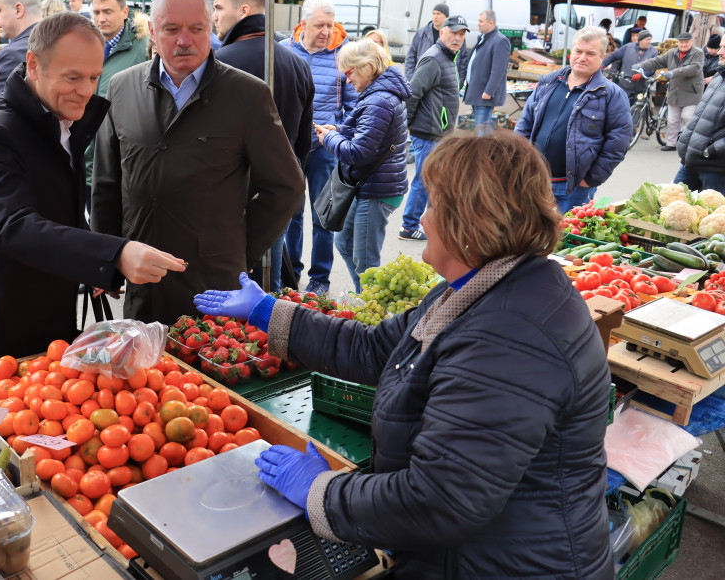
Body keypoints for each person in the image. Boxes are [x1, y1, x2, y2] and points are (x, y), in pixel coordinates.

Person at [194, 129, 613, 579]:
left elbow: (440, 500)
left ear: (469, 223)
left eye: (432, 203)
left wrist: (321, 489)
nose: (421, 219)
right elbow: (375, 347)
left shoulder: (510, 338)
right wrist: (270, 312)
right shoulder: (479, 289)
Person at [0, 13, 186, 368]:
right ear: (33, 65)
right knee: (0, 421)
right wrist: (112, 253)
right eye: (73, 77)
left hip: (55, 314)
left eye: (94, 77)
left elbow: (57, 208)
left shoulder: (60, 116)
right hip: (7, 324)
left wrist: (90, 264)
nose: (87, 90)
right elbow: (14, 226)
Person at [92, 0, 305, 324]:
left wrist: (241, 250)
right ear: (153, 30)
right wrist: (105, 258)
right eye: (172, 29)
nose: (184, 40)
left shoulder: (247, 94)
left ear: (211, 28)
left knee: (207, 371)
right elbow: (106, 181)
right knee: (146, 372)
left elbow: (287, 185)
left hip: (214, 284)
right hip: (144, 281)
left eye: (196, 29)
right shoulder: (121, 87)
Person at [213, 0, 314, 290]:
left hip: (230, 205)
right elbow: (303, 144)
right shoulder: (298, 65)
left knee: (233, 297)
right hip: (278, 197)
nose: (213, 16)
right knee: (268, 287)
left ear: (243, 10)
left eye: (218, 7)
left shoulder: (219, 64)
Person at [279, 0, 357, 295]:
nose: (326, 31)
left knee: (324, 215)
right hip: (289, 148)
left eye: (331, 24)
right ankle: (292, 274)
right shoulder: (285, 50)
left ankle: (320, 279)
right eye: (320, 25)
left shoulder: (343, 55)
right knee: (291, 215)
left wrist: (337, 129)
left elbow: (354, 105)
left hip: (325, 148)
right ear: (304, 24)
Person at [319, 40, 409, 285]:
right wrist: (336, 130)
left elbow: (358, 152)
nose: (348, 80)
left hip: (376, 190)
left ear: (367, 68)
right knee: (345, 243)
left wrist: (330, 139)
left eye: (349, 73)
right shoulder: (377, 95)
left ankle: (373, 315)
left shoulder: (379, 101)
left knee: (366, 262)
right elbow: (364, 133)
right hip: (373, 185)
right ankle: (365, 299)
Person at [515, 26, 632, 213]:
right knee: (530, 234)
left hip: (574, 188)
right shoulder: (548, 82)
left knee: (565, 237)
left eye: (590, 53)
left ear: (602, 58)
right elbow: (525, 124)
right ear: (572, 51)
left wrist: (590, 180)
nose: (582, 57)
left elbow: (618, 144)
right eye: (578, 51)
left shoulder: (611, 95)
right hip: (534, 180)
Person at [82, 0, 153, 208]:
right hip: (85, 158)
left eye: (108, 12)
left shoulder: (143, 48)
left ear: (124, 13)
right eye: (96, 12)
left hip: (122, 159)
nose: (101, 18)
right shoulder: (85, 45)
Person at [400, 15, 467, 241]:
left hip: (438, 133)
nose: (458, 38)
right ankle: (409, 226)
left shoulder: (448, 57)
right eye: (454, 33)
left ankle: (429, 224)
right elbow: (413, 93)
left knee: (433, 180)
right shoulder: (434, 59)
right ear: (442, 32)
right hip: (427, 132)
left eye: (462, 34)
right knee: (424, 179)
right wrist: (405, 127)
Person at [634, 32, 704, 151]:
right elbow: (657, 61)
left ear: (691, 42)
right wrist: (641, 65)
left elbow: (695, 68)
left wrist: (675, 72)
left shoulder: (698, 53)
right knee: (672, 120)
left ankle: (687, 143)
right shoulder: (672, 52)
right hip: (675, 91)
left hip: (691, 92)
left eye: (686, 42)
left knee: (687, 117)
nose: (683, 44)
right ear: (678, 43)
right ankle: (671, 143)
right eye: (681, 42)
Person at [676, 46, 725, 192]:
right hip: (690, 161)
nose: (719, 52)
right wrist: (684, 135)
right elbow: (701, 113)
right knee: (668, 208)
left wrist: (711, 151)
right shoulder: (719, 76)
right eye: (721, 47)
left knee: (714, 213)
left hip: (715, 168)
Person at [461, 9, 512, 129]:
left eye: (481, 21)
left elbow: (498, 70)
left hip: (484, 95)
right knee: (481, 129)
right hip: (476, 92)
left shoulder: (500, 41)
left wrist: (489, 91)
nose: (478, 23)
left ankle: (485, 149)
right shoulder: (484, 38)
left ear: (491, 23)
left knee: (482, 132)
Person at [600, 29, 658, 103]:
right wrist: (602, 65)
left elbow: (653, 67)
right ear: (641, 40)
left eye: (650, 39)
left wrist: (641, 74)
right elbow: (613, 56)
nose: (650, 42)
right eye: (647, 39)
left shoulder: (653, 51)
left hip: (641, 87)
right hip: (625, 86)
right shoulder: (627, 47)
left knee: (638, 109)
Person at [404, 3, 448, 80]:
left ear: (446, 17)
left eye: (438, 14)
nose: (435, 17)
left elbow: (462, 61)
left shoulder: (451, 35)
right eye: (433, 14)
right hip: (421, 79)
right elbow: (410, 56)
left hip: (442, 82)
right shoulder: (421, 33)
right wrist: (410, 78)